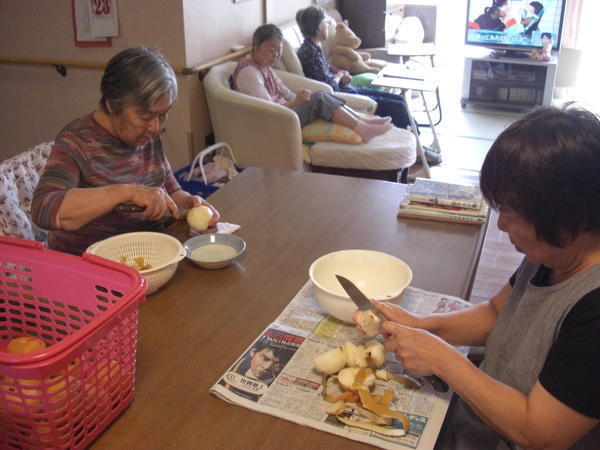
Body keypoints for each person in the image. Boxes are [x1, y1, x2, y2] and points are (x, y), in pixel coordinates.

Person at [372, 105, 600, 448]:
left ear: (565, 219)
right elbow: (497, 313)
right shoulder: (555, 252)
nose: (502, 226)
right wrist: (424, 327)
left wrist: (442, 358)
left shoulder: (593, 307)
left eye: (511, 215)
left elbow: (537, 432)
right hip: (481, 422)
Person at [31, 47, 220, 255]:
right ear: (112, 105)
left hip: (146, 255)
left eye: (163, 115)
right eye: (145, 116)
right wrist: (125, 192)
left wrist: (189, 203)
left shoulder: (147, 134)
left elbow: (169, 190)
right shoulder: (76, 140)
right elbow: (43, 209)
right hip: (91, 265)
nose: (155, 127)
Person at [295, 6, 442, 166]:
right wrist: (339, 76)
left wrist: (340, 72)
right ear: (317, 27)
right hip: (343, 95)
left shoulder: (313, 48)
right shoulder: (308, 53)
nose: (327, 26)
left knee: (398, 99)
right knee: (397, 108)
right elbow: (325, 86)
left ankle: (417, 142)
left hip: (348, 88)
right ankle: (418, 150)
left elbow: (325, 71)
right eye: (325, 23)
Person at [232, 24, 392, 144]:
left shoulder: (264, 67)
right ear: (256, 48)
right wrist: (298, 102)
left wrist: (300, 99)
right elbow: (268, 110)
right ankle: (362, 129)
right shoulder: (249, 73)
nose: (276, 55)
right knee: (319, 98)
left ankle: (363, 121)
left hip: (282, 112)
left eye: (278, 49)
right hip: (274, 121)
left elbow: (285, 92)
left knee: (320, 94)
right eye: (271, 49)